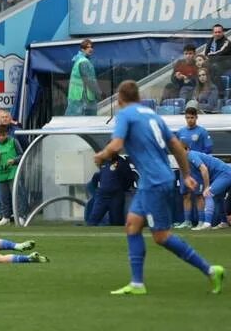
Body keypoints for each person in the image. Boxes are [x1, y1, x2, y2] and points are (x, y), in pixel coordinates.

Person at [93, 80, 224, 295]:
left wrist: (100, 155)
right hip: (154, 179)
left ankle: (210, 270)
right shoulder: (153, 115)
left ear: (120, 100)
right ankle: (137, 284)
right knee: (133, 225)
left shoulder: (126, 115)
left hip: (154, 182)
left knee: (161, 235)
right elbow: (177, 147)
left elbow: (116, 146)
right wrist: (185, 175)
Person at [175, 105, 213, 229]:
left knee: (198, 195)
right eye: (187, 118)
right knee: (185, 195)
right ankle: (187, 221)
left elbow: (208, 149)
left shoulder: (202, 132)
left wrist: (199, 160)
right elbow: (177, 149)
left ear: (196, 117)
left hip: (197, 168)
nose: (190, 120)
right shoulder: (181, 132)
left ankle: (201, 221)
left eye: (192, 117)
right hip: (184, 169)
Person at [187, 146, 231, 231]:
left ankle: (207, 223)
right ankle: (224, 222)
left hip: (225, 174)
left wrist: (207, 187)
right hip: (223, 174)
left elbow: (204, 169)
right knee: (218, 198)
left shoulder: (191, 154)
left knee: (208, 193)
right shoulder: (188, 158)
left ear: (187, 149)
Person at [86, 154, 135, 226]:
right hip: (102, 196)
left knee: (116, 222)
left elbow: (129, 178)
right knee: (93, 220)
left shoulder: (121, 162)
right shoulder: (103, 163)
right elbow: (97, 177)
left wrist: (121, 189)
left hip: (116, 196)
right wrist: (98, 190)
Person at [0, 124, 20, 226]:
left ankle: (19, 216)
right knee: (3, 198)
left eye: (3, 135)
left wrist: (14, 160)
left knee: (15, 196)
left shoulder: (13, 142)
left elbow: (22, 155)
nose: (2, 137)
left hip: (12, 174)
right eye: (0, 135)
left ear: (7, 134)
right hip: (1, 175)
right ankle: (5, 217)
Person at [65, 39, 99, 115]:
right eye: (87, 47)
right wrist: (99, 93)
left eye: (91, 47)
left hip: (76, 97)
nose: (90, 49)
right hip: (83, 99)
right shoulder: (84, 62)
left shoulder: (78, 60)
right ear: (82, 49)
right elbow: (90, 81)